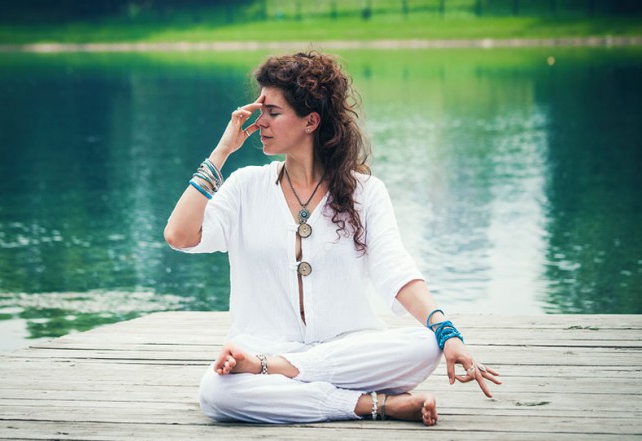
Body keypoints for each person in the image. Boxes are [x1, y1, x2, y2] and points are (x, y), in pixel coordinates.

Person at [164, 51, 500, 425]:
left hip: (341, 350)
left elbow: (396, 270)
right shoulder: (246, 187)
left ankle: (283, 371)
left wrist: (447, 332)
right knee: (216, 393)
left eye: (272, 112)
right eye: (261, 111)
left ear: (311, 121)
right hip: (262, 348)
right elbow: (179, 235)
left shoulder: (365, 192)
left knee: (426, 344)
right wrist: (222, 151)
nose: (260, 123)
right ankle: (372, 404)